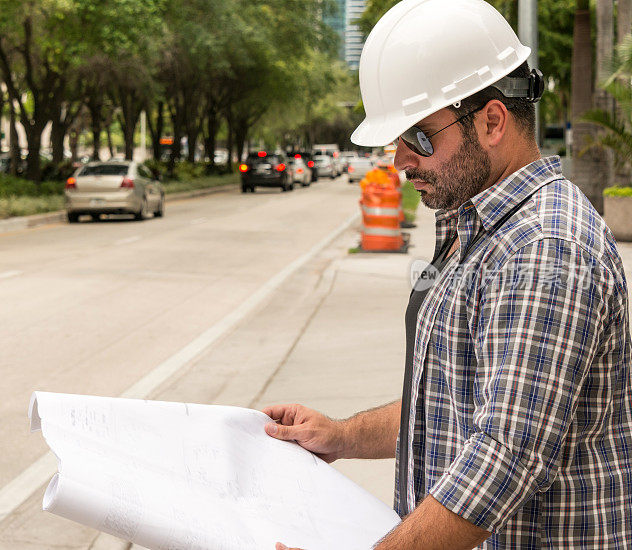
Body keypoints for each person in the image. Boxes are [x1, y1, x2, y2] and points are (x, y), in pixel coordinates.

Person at [264, 0, 632, 548]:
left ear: (490, 121)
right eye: (397, 141)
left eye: (420, 137)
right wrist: (340, 436)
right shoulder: (479, 226)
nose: (401, 161)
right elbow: (450, 408)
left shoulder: (543, 247)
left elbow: (505, 458)